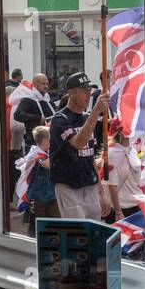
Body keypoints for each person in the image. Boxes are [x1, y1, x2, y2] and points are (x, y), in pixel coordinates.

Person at [49, 71, 111, 220]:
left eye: (90, 90)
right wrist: (96, 111)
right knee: (78, 233)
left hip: (89, 184)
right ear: (71, 93)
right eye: (84, 91)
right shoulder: (60, 119)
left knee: (94, 229)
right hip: (68, 185)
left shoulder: (86, 118)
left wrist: (101, 191)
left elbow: (89, 156)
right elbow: (78, 143)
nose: (88, 95)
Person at [15, 126, 59, 233]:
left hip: (51, 195)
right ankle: (33, 245)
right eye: (51, 138)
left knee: (54, 223)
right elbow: (46, 164)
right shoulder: (36, 154)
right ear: (44, 140)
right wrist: (58, 150)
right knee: (36, 224)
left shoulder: (46, 152)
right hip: (37, 197)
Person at [105, 119, 145, 219]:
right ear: (120, 134)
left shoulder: (132, 151)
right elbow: (111, 186)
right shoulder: (112, 154)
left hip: (137, 205)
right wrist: (119, 212)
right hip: (122, 209)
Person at [13, 73, 56, 147]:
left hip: (50, 141)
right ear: (35, 84)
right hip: (34, 143)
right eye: (43, 84)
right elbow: (17, 115)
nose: (46, 86)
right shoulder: (28, 99)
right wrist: (37, 118)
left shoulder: (47, 99)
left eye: (47, 84)